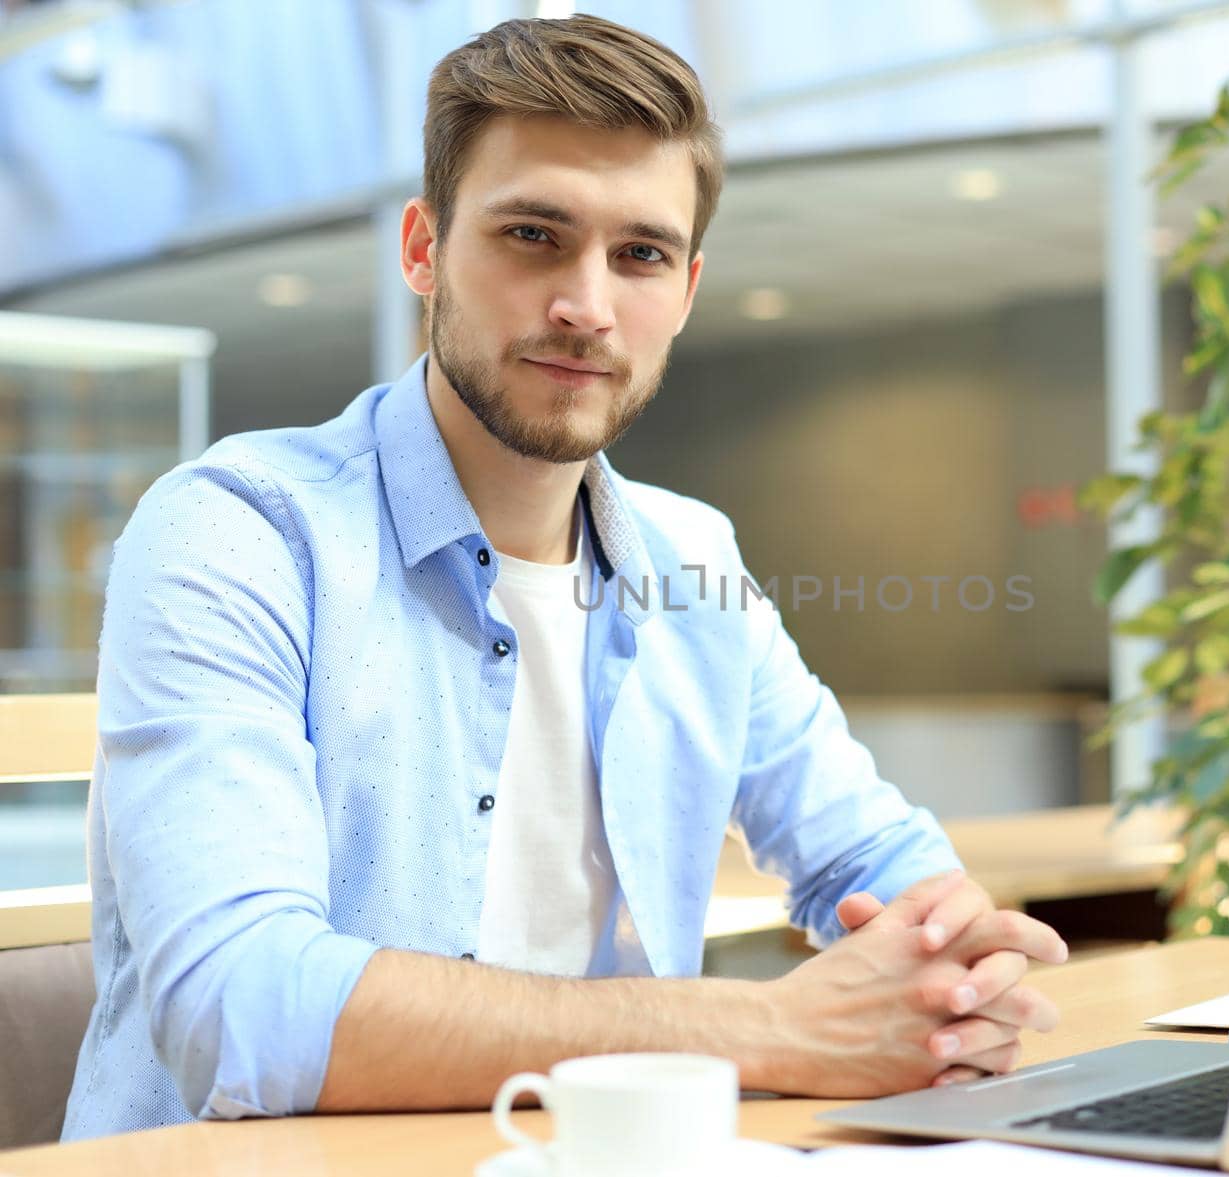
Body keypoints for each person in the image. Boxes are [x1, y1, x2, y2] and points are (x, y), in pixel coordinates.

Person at [61, 15, 1067, 1140]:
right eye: (534, 234)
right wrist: (771, 1031)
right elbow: (244, 1006)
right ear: (423, 248)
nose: (586, 304)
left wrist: (948, 968)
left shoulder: (691, 560)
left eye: (638, 254)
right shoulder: (239, 530)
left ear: (684, 290)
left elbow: (870, 854)